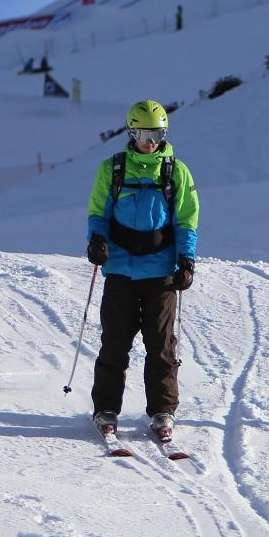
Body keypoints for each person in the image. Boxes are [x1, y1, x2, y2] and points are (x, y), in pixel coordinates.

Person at [86, 100, 199, 442]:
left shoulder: (175, 171)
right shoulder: (113, 169)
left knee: (161, 345)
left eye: (158, 133)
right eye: (144, 133)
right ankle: (106, 409)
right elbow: (98, 211)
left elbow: (186, 220)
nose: (151, 141)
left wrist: (186, 261)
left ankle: (162, 411)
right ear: (132, 131)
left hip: (160, 272)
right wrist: (96, 241)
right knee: (115, 342)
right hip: (120, 268)